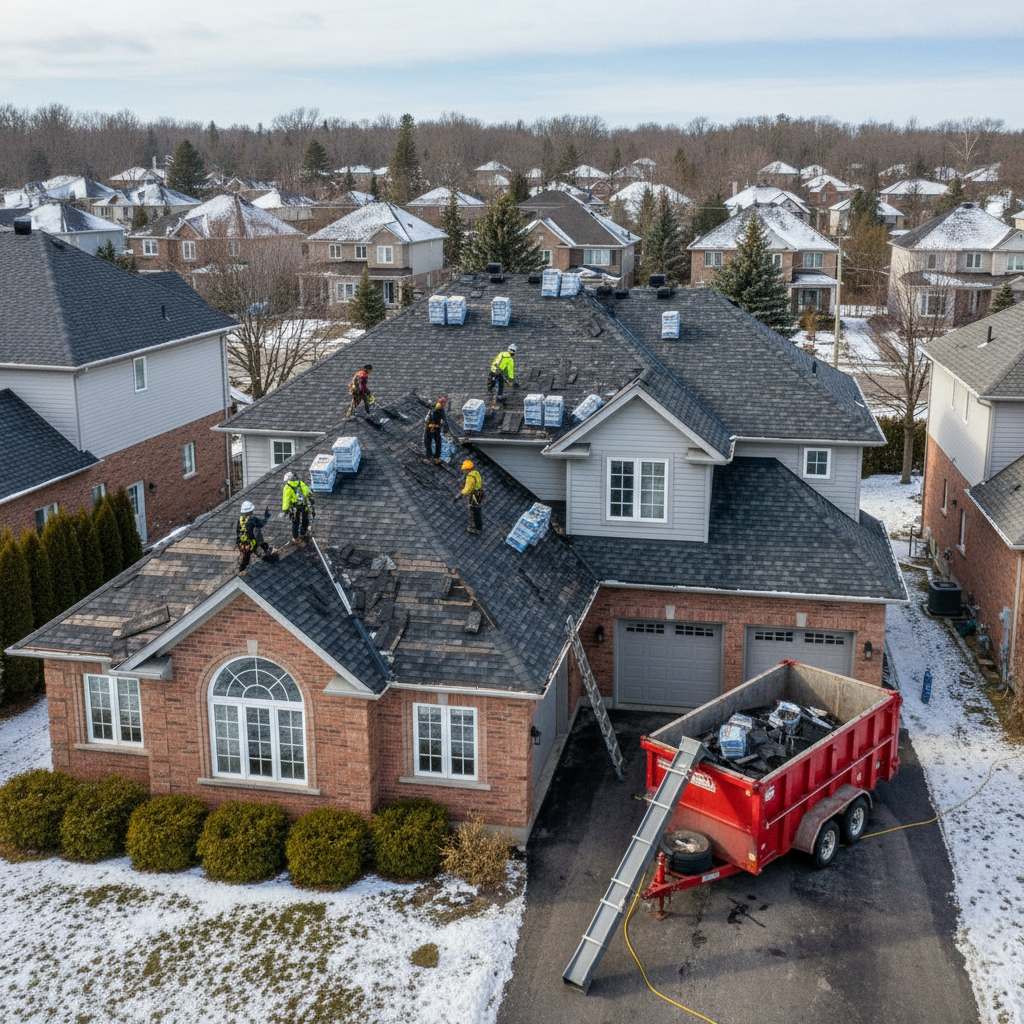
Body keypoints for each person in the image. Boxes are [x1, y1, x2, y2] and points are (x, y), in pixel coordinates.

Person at [236, 500, 272, 572]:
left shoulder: (240, 520)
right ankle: (270, 561)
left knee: (246, 558)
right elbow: (262, 524)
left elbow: (238, 532)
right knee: (261, 548)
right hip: (251, 543)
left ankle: (241, 569)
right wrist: (266, 517)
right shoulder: (252, 519)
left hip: (243, 544)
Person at [282, 471, 314, 542]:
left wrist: (285, 510)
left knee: (295, 522)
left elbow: (286, 500)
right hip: (304, 505)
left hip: (294, 508)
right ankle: (304, 532)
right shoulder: (300, 483)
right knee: (305, 519)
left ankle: (295, 537)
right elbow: (308, 492)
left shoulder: (287, 487)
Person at [454, 459, 484, 534]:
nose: (465, 471)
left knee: (473, 510)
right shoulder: (475, 473)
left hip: (474, 496)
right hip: (479, 494)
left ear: (468, 469)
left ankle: (475, 527)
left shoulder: (470, 478)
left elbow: (467, 490)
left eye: (465, 470)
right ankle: (478, 526)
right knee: (477, 510)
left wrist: (459, 496)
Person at [423, 397, 448, 462]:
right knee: (437, 442)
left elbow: (427, 419)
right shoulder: (440, 411)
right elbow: (444, 420)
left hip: (429, 428)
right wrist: (445, 430)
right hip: (436, 429)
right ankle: (436, 456)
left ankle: (429, 455)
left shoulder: (433, 408)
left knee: (428, 442)